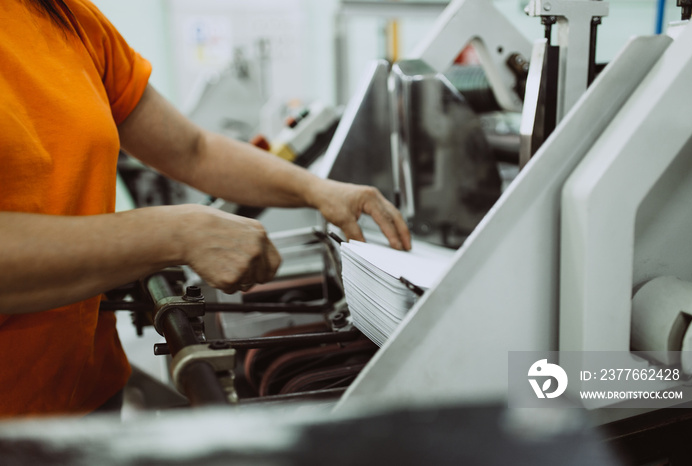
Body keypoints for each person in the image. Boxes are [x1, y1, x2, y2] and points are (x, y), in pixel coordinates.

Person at [0, 0, 411, 417]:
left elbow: (192, 150)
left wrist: (319, 190)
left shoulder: (66, 16)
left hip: (88, 390)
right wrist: (175, 234)